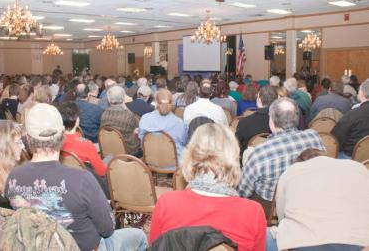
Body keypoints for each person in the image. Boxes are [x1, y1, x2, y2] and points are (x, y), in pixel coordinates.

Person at [4, 103, 147, 251]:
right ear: (61, 137)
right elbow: (107, 229)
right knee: (140, 237)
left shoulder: (13, 178)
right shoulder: (82, 180)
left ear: (27, 139)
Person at [149, 123, 266, 251]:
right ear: (234, 159)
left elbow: (155, 247)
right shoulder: (253, 212)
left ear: (191, 156)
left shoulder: (166, 203)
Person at [267, 149, 369, 251]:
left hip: (303, 244)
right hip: (360, 243)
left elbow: (281, 214)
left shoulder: (290, 171)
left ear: (300, 163)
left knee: (263, 234)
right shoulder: (358, 167)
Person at [238, 98, 325, 215]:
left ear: (272, 121)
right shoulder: (314, 136)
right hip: (307, 200)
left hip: (267, 209)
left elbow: (243, 191)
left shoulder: (261, 153)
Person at [59, 102, 106, 177]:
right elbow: (102, 172)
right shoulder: (87, 145)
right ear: (77, 120)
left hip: (66, 177)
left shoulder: (54, 142)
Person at [139, 89, 187, 162]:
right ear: (172, 103)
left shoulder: (145, 118)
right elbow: (184, 142)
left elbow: (142, 140)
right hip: (173, 163)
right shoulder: (179, 123)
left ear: (156, 103)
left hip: (151, 160)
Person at [331, 78, 369, 159]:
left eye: (359, 90)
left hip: (351, 156)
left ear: (362, 93)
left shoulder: (353, 113)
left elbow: (336, 137)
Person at [235, 86, 278, 155]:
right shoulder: (281, 122)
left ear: (259, 100)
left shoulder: (244, 122)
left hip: (249, 159)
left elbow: (236, 145)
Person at [100, 86, 140, 156]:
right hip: (128, 151)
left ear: (109, 99)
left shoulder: (104, 114)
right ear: (123, 97)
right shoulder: (128, 115)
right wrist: (126, 108)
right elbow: (138, 125)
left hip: (109, 150)